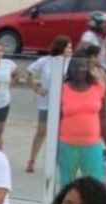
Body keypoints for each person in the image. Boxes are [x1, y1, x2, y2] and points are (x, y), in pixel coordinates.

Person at [57, 56, 106, 183]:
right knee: (67, 183)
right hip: (67, 145)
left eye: (83, 66)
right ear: (70, 69)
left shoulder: (98, 87)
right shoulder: (61, 89)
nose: (79, 69)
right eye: (75, 66)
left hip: (92, 145)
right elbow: (57, 119)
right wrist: (54, 148)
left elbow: (103, 117)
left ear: (88, 69)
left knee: (94, 184)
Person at [26, 35, 72, 173]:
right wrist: (36, 87)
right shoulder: (45, 61)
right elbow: (29, 73)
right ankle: (32, 159)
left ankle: (58, 160)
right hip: (46, 102)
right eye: (68, 47)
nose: (71, 50)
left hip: (64, 102)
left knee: (61, 133)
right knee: (42, 131)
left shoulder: (71, 62)